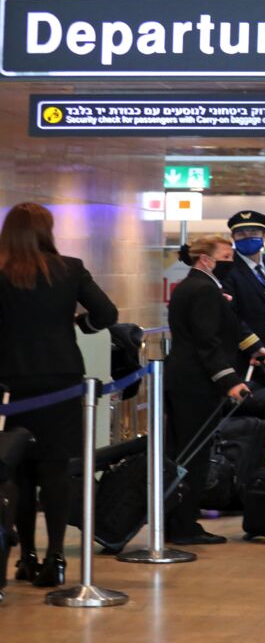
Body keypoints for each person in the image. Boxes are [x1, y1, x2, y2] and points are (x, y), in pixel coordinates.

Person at [0, 203, 117, 588]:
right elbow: (108, 314)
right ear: (47, 231)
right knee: (55, 470)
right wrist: (81, 323)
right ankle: (55, 559)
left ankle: (25, 557)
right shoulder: (70, 268)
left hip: (13, 385)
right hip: (63, 380)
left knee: (17, 470)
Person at [165, 235, 265, 545]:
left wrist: (253, 348)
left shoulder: (195, 287)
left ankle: (176, 520)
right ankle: (183, 525)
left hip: (184, 380)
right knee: (193, 455)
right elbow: (206, 342)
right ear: (205, 260)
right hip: (196, 384)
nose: (230, 260)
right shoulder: (204, 290)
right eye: (225, 255)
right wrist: (230, 381)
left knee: (182, 451)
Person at [221, 211, 265, 366]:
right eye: (240, 233)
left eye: (253, 232)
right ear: (233, 238)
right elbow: (229, 314)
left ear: (264, 235)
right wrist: (253, 346)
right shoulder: (227, 269)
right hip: (245, 353)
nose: (247, 237)